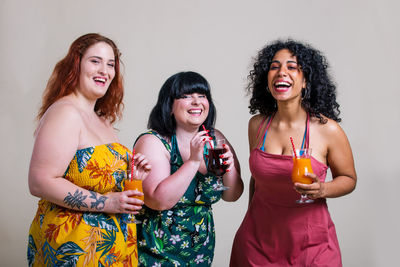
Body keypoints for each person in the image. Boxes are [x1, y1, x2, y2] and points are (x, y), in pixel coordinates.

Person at [27, 33, 151, 266]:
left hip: (110, 247)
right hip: (75, 247)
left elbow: (94, 180)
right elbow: (39, 181)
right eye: (95, 61)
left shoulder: (101, 119)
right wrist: (107, 203)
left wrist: (134, 175)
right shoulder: (65, 112)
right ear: (76, 64)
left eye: (110, 64)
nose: (105, 70)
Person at [230, 40, 357, 266]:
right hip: (257, 244)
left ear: (306, 79)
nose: (281, 72)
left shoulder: (327, 129)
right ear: (266, 79)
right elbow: (257, 180)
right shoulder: (257, 125)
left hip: (311, 244)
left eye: (292, 67)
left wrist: (322, 189)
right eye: (274, 66)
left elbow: (348, 179)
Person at [133, 71, 244, 266]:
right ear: (169, 107)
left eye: (202, 96)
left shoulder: (215, 138)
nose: (196, 102)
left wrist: (231, 168)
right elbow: (158, 201)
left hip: (200, 249)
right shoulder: (154, 141)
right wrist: (192, 162)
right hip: (157, 249)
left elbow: (231, 195)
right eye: (185, 96)